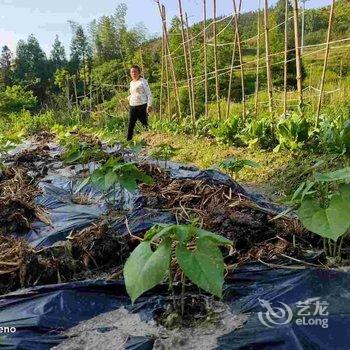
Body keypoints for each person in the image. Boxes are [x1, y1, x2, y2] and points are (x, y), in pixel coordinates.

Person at [126, 65, 153, 141]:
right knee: (131, 124)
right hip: (132, 105)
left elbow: (149, 94)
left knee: (144, 123)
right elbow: (133, 94)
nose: (133, 73)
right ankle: (128, 140)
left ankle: (150, 140)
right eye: (132, 72)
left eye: (135, 71)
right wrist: (127, 99)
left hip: (142, 105)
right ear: (130, 73)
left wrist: (149, 105)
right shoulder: (131, 83)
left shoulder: (143, 81)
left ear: (139, 72)